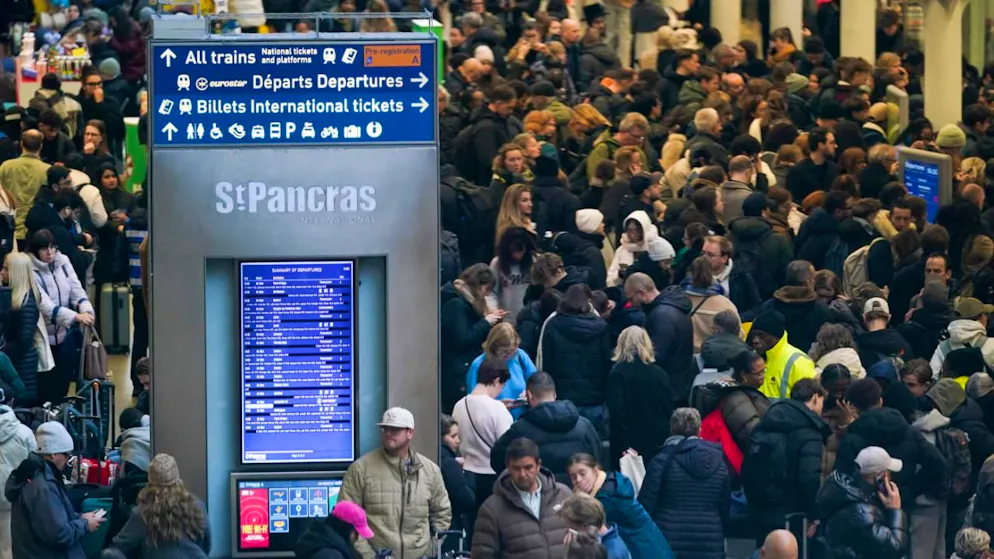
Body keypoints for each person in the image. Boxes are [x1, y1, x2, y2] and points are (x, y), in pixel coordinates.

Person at [338, 408, 451, 559]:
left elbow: (442, 514)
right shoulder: (361, 469)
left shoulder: (430, 471)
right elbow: (347, 518)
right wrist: (370, 556)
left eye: (395, 429)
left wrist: (429, 551)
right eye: (385, 429)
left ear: (410, 433)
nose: (388, 433)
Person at [833, 378, 947, 514]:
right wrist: (909, 491)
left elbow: (840, 481)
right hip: (900, 503)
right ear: (880, 401)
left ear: (853, 408)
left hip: (863, 509)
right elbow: (938, 464)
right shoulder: (909, 431)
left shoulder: (851, 438)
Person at [742, 378, 829, 544]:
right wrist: (813, 513)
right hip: (793, 512)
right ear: (815, 398)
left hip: (762, 507)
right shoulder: (810, 432)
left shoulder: (766, 422)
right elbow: (809, 478)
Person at [638, 408, 729, 559]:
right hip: (710, 539)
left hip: (669, 538)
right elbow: (724, 506)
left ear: (672, 429)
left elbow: (647, 503)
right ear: (700, 430)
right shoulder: (719, 462)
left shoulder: (663, 460)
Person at [6, 422, 104, 558]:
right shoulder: (43, 486)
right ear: (53, 455)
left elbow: (52, 520)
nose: (68, 460)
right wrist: (85, 524)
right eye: (67, 455)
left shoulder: (34, 475)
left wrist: (79, 517)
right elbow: (59, 534)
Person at [490, 372, 601, 483]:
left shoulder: (520, 430)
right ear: (555, 394)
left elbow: (498, 459)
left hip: (539, 493)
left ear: (529, 395)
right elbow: (597, 457)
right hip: (578, 492)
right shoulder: (584, 425)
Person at [472, 437, 571, 559]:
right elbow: (482, 554)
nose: (523, 474)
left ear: (538, 465)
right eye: (516, 468)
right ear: (507, 466)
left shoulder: (563, 495)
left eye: (528, 467)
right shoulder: (491, 509)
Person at [28, 230, 95, 405]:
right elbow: (44, 305)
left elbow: (76, 289)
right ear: (35, 251)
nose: (49, 252)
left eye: (52, 247)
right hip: (43, 339)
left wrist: (86, 309)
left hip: (65, 335)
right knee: (47, 386)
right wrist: (76, 317)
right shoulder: (30, 270)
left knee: (64, 382)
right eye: (44, 249)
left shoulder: (63, 262)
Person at [538, 284, 612, 433]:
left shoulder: (552, 325)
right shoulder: (601, 327)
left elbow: (547, 363)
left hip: (564, 399)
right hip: (595, 399)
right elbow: (607, 362)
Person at [567, 454, 672, 559]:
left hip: (643, 550)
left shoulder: (606, 498)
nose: (579, 480)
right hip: (651, 544)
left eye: (583, 473)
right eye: (573, 477)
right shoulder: (612, 483)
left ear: (595, 471)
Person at [107, 454, 211, 557]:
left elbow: (118, 547)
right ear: (177, 477)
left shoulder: (142, 514)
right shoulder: (198, 506)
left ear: (150, 481)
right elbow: (207, 545)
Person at [816, 446, 910, 558]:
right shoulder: (861, 514)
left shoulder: (850, 495)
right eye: (888, 474)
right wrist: (895, 510)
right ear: (879, 477)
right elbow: (895, 549)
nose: (890, 479)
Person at [623, 274, 695, 405]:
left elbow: (655, 355)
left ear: (641, 293)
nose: (630, 304)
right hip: (678, 381)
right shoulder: (671, 307)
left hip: (668, 388)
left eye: (631, 299)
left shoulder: (661, 316)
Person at [452, 356, 513, 508]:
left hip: (467, 473)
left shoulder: (458, 405)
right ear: (496, 381)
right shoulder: (498, 409)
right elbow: (507, 446)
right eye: (502, 386)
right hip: (492, 475)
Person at [606, 326, 673, 464]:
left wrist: (622, 445)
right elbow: (668, 408)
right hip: (657, 440)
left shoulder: (617, 374)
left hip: (630, 443)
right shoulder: (660, 373)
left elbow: (617, 413)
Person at [441, 264, 502, 412]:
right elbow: (461, 339)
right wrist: (486, 322)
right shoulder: (456, 303)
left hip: (463, 366)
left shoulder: (466, 301)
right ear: (479, 286)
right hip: (456, 370)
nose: (486, 295)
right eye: (486, 289)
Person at [3, 253, 52, 407]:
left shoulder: (26, 302)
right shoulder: (14, 297)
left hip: (21, 366)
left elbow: (24, 340)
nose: (1, 272)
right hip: (17, 363)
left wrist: (2, 355)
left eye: (5, 269)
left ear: (16, 273)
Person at [467, 322, 536, 420]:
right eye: (504, 352)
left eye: (512, 351)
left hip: (521, 418)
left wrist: (529, 391)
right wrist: (498, 406)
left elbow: (536, 380)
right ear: (493, 347)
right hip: (493, 420)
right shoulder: (478, 365)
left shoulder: (520, 356)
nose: (509, 355)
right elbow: (473, 401)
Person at [746, 310, 817, 400]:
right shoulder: (752, 358)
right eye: (754, 335)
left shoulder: (798, 362)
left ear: (776, 336)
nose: (755, 340)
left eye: (762, 336)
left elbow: (810, 402)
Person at [0, 390, 35, 559]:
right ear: (11, 403)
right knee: (9, 549)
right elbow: (34, 465)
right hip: (14, 498)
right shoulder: (24, 433)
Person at [0, 130, 48, 245]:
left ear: (21, 144)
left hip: (9, 227)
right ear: (41, 146)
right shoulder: (47, 170)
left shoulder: (6, 167)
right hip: (35, 230)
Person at [681, 256, 739, 352]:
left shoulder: (678, 300)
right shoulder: (725, 304)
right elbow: (738, 335)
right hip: (714, 355)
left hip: (686, 355)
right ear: (712, 274)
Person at [438, 415, 475, 548]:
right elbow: (466, 499)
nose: (458, 441)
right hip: (451, 527)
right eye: (453, 436)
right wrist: (468, 472)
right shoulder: (449, 464)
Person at [558, 493, 632, 559]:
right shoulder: (605, 543)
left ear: (587, 527)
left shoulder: (611, 554)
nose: (568, 534)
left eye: (572, 529)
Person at [295, 501, 372, 559]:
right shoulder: (331, 556)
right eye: (356, 533)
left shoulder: (322, 541)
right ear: (346, 529)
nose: (356, 538)